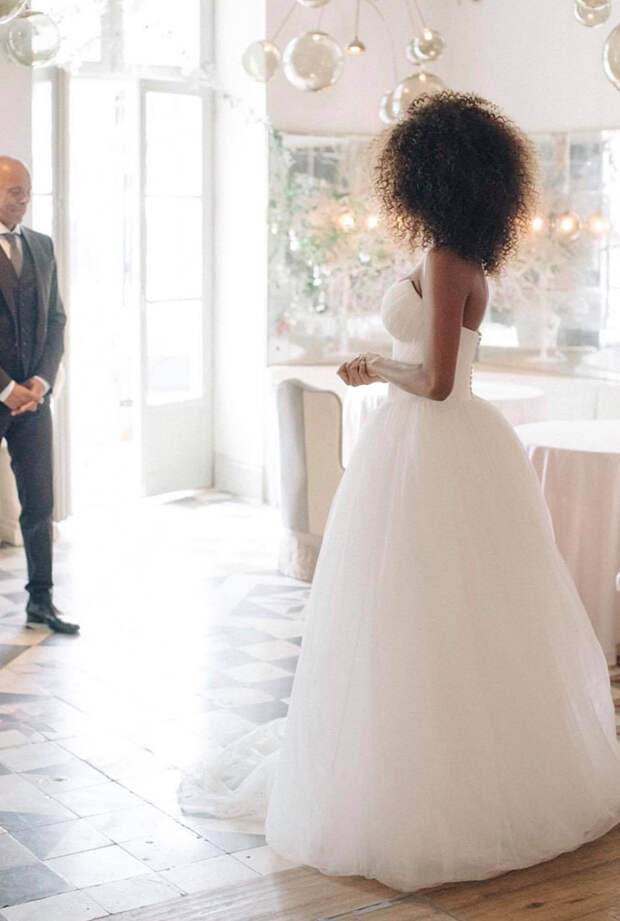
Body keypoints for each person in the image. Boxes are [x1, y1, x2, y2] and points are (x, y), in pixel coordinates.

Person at [178, 92, 620, 893]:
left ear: (427, 175)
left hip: (432, 441)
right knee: (428, 612)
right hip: (435, 445)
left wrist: (374, 364)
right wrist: (385, 364)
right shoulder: (459, 257)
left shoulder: (448, 261)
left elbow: (440, 381)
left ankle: (423, 785)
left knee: (418, 609)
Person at [0, 156, 78, 635]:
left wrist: (40, 383)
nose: (25, 199)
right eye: (16, 191)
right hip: (5, 393)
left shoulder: (42, 246)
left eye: (27, 190)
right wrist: (5, 388)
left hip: (34, 402)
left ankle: (41, 602)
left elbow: (56, 319)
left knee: (40, 503)